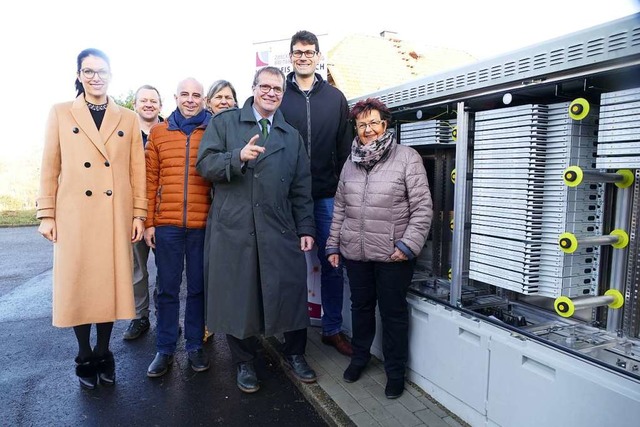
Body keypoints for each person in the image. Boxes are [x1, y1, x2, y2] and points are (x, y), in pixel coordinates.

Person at [196, 66, 316, 393]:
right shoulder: (225, 123)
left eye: (277, 89)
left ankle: (295, 353)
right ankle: (244, 362)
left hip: (278, 225)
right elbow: (205, 165)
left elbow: (301, 188)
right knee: (240, 295)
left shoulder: (291, 136)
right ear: (253, 88)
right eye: (265, 87)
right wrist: (237, 157)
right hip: (234, 226)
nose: (271, 93)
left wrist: (306, 226)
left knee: (290, 291)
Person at [36, 48, 147, 390]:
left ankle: (104, 352)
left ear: (111, 75)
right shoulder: (60, 113)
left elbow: (136, 170)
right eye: (88, 71)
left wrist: (139, 214)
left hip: (114, 214)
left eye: (101, 71)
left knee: (108, 285)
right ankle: (84, 354)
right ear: (79, 74)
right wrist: (46, 213)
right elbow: (49, 166)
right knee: (79, 286)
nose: (95, 77)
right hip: (75, 216)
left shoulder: (127, 117)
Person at [326, 98, 433, 399]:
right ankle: (360, 357)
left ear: (385, 125)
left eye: (374, 123)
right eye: (362, 125)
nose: (369, 129)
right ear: (356, 129)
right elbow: (340, 209)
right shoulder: (350, 162)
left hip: (392, 255)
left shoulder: (407, 158)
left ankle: (395, 372)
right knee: (360, 308)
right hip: (356, 253)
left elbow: (423, 208)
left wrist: (407, 245)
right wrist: (333, 244)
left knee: (393, 313)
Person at [279, 30, 354, 357]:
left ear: (319, 56)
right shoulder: (279, 94)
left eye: (310, 51)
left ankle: (332, 328)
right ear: (291, 56)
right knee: (286, 265)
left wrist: (340, 187)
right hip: (287, 197)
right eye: (298, 52)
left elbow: (346, 148)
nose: (304, 56)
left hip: (326, 196)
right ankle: (289, 333)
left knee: (332, 262)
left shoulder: (335, 98)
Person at [144, 78, 212, 378]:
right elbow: (149, 180)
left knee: (198, 288)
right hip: (167, 224)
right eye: (185, 94)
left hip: (202, 225)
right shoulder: (159, 132)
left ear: (204, 99)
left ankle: (195, 345)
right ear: (175, 97)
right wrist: (148, 222)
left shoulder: (213, 131)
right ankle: (165, 347)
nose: (190, 99)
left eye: (196, 95)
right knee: (167, 289)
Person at [123, 84, 164, 340]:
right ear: (135, 105)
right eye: (143, 100)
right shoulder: (124, 133)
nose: (148, 104)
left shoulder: (170, 129)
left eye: (153, 100)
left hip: (164, 211)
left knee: (167, 269)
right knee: (137, 269)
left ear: (161, 105)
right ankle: (139, 317)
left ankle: (165, 317)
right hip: (133, 211)